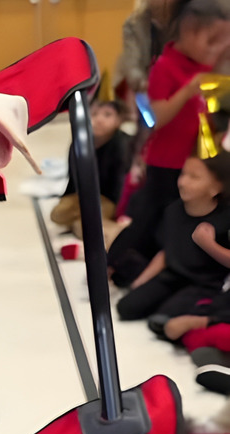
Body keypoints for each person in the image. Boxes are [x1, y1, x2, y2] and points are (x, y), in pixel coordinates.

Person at [107, 0, 230, 287]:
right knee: (150, 215)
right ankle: (111, 264)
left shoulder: (203, 65)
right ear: (187, 33)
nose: (215, 50)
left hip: (196, 158)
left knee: (179, 220)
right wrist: (188, 90)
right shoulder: (165, 67)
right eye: (211, 41)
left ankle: (165, 268)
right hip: (166, 161)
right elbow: (156, 117)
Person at [116, 153, 230, 323]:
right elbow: (167, 251)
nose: (183, 182)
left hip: (204, 285)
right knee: (126, 307)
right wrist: (141, 281)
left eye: (194, 178)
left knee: (164, 318)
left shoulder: (224, 218)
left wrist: (209, 245)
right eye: (183, 174)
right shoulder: (173, 211)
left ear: (216, 188)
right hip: (172, 276)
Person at [50, 100, 131, 246]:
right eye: (94, 114)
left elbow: (121, 183)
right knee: (57, 214)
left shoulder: (122, 145)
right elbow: (73, 178)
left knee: (88, 226)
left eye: (107, 115)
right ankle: (84, 220)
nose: (99, 119)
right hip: (82, 196)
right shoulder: (80, 140)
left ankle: (102, 226)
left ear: (118, 120)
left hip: (108, 199)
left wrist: (119, 213)